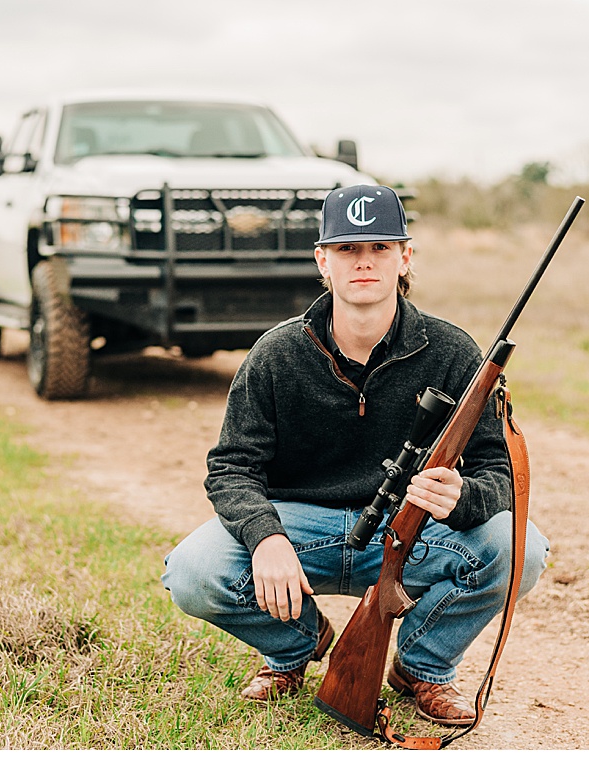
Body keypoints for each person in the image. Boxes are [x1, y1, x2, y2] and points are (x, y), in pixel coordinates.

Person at [161, 184, 549, 726]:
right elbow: (230, 467)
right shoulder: (276, 353)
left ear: (404, 256)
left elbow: (501, 474)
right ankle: (296, 647)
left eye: (379, 249)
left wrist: (463, 497)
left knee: (520, 549)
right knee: (193, 571)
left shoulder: (455, 352)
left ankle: (422, 668)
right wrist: (266, 538)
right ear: (322, 259)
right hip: (300, 533)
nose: (363, 262)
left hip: (408, 533)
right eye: (347, 249)